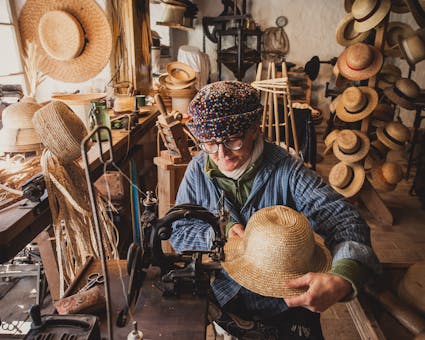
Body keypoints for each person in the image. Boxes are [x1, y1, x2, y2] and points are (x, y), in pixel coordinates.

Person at [169, 81, 381, 339]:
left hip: (284, 302)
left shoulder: (287, 170)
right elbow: (179, 230)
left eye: (233, 140)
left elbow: (345, 220)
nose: (221, 153)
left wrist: (343, 277)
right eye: (209, 143)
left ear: (254, 130)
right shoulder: (197, 170)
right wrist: (217, 233)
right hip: (224, 297)